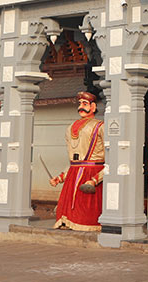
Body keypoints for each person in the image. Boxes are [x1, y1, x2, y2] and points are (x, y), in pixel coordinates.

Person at [49, 91, 104, 230]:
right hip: (74, 173)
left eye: (85, 104)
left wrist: (96, 178)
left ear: (93, 107)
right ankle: (67, 221)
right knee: (67, 207)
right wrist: (61, 177)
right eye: (80, 104)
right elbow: (75, 162)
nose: (81, 107)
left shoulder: (100, 126)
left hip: (92, 171)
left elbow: (113, 158)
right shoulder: (70, 128)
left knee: (86, 209)